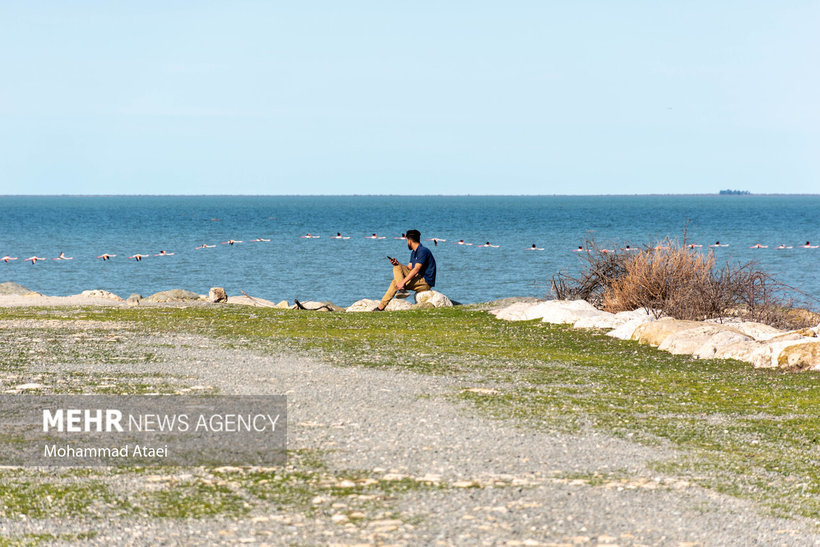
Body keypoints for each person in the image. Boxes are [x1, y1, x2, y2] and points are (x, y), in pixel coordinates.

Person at [374, 229, 436, 311]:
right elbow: (409, 268)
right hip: (418, 279)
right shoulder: (414, 252)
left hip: (425, 282)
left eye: (407, 240)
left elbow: (416, 269)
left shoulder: (423, 251)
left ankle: (401, 290)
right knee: (396, 278)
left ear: (409, 240)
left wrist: (403, 282)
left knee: (397, 281)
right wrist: (398, 264)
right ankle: (381, 307)